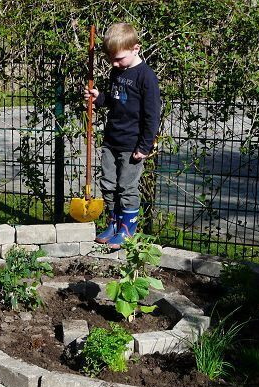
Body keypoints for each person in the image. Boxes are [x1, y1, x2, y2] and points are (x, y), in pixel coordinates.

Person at [84, 22, 161, 249]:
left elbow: (152, 115)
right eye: (111, 60)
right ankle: (114, 223)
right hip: (111, 140)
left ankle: (127, 228)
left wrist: (145, 146)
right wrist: (100, 97)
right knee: (108, 184)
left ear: (136, 48)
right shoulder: (117, 71)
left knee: (126, 187)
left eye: (119, 59)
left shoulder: (146, 77)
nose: (115, 64)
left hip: (132, 145)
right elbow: (115, 100)